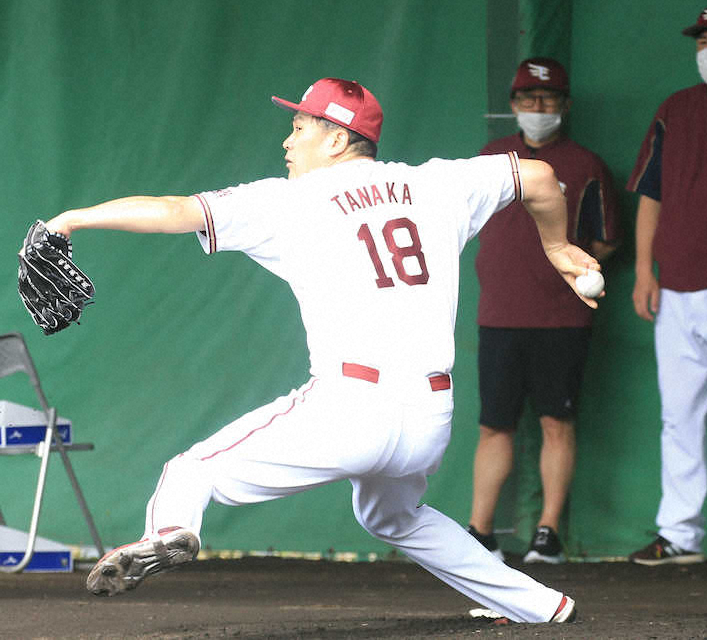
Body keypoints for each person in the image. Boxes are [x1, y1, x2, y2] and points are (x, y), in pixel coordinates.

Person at [51, 77, 598, 623]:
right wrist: (557, 246)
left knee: (190, 471)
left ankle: (168, 531)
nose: (287, 142)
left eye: (299, 128)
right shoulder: (437, 184)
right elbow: (538, 177)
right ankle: (538, 604)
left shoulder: (288, 201)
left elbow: (174, 209)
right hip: (430, 417)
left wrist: (72, 219)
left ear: (337, 139)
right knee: (392, 516)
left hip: (349, 410)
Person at [467, 58, 621, 564]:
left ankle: (547, 532)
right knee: (494, 425)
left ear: (565, 105)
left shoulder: (586, 164)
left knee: (557, 422)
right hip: (498, 315)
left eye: (548, 98)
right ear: (513, 105)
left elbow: (606, 239)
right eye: (528, 98)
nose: (538, 106)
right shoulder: (489, 159)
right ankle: (480, 533)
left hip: (563, 319)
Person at [625, 3, 707, 565]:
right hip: (674, 285)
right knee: (678, 416)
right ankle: (678, 534)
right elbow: (651, 194)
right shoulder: (675, 108)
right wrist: (644, 270)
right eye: (703, 42)